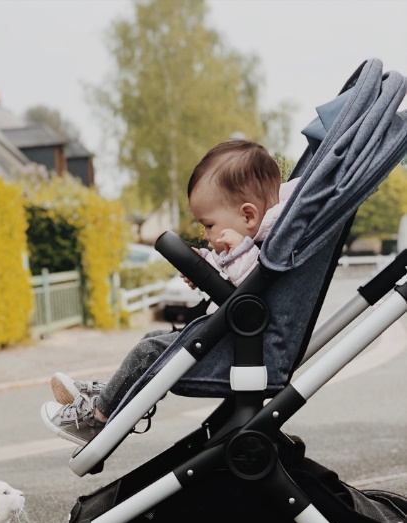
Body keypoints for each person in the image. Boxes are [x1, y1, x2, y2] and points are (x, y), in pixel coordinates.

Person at [41, 139, 299, 446]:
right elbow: (237, 279)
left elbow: (251, 287)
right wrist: (203, 265)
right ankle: (106, 394)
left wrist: (234, 253)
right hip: (236, 338)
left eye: (208, 225)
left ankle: (96, 419)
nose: (206, 234)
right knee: (150, 341)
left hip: (248, 349)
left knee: (148, 353)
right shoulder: (256, 240)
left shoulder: (263, 247)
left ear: (247, 216)